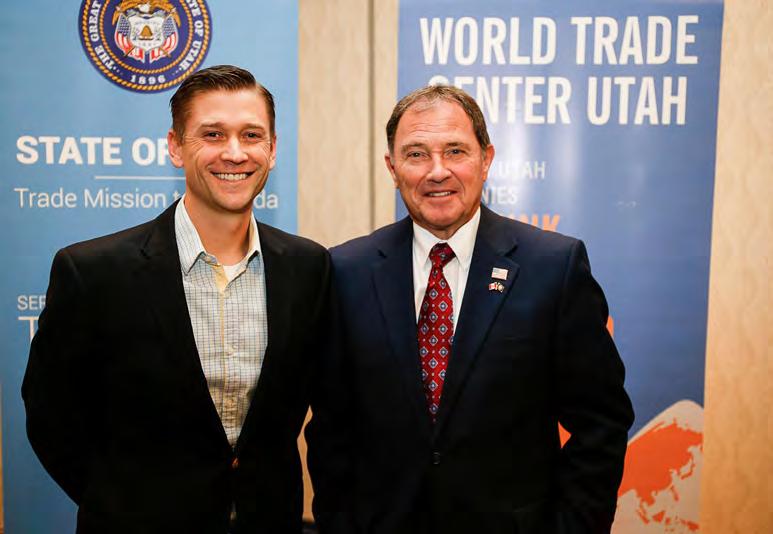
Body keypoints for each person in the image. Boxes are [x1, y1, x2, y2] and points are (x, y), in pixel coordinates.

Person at [306, 85, 634, 534]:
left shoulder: (553, 267)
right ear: (392, 168)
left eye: (455, 151)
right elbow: (331, 430)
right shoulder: (347, 271)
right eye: (416, 154)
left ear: (486, 159)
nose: (437, 171)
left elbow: (600, 424)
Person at [22, 65, 329, 533]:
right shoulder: (94, 272)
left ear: (272, 149)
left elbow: (326, 411)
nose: (234, 152)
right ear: (175, 146)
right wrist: (119, 504)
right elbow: (50, 416)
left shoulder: (308, 268)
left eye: (251, 135)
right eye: (212, 134)